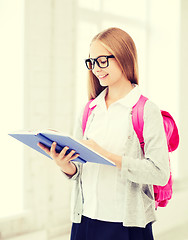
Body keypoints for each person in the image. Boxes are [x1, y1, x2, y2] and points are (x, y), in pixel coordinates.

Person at [38, 27, 170, 240]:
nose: (96, 68)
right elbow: (80, 171)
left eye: (102, 60)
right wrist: (66, 166)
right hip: (85, 221)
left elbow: (160, 174)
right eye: (91, 62)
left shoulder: (145, 110)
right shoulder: (89, 110)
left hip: (126, 225)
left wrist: (106, 155)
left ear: (123, 57)